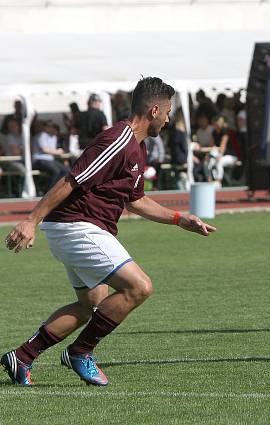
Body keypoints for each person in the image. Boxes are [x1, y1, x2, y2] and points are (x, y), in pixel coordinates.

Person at [1, 77, 216, 387]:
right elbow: (70, 180)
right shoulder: (118, 140)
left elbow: (136, 200)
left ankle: (22, 356)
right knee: (139, 287)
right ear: (154, 110)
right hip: (77, 226)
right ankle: (80, 352)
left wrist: (179, 218)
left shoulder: (138, 148)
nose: (168, 119)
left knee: (91, 305)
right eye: (167, 112)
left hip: (78, 228)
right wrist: (30, 220)